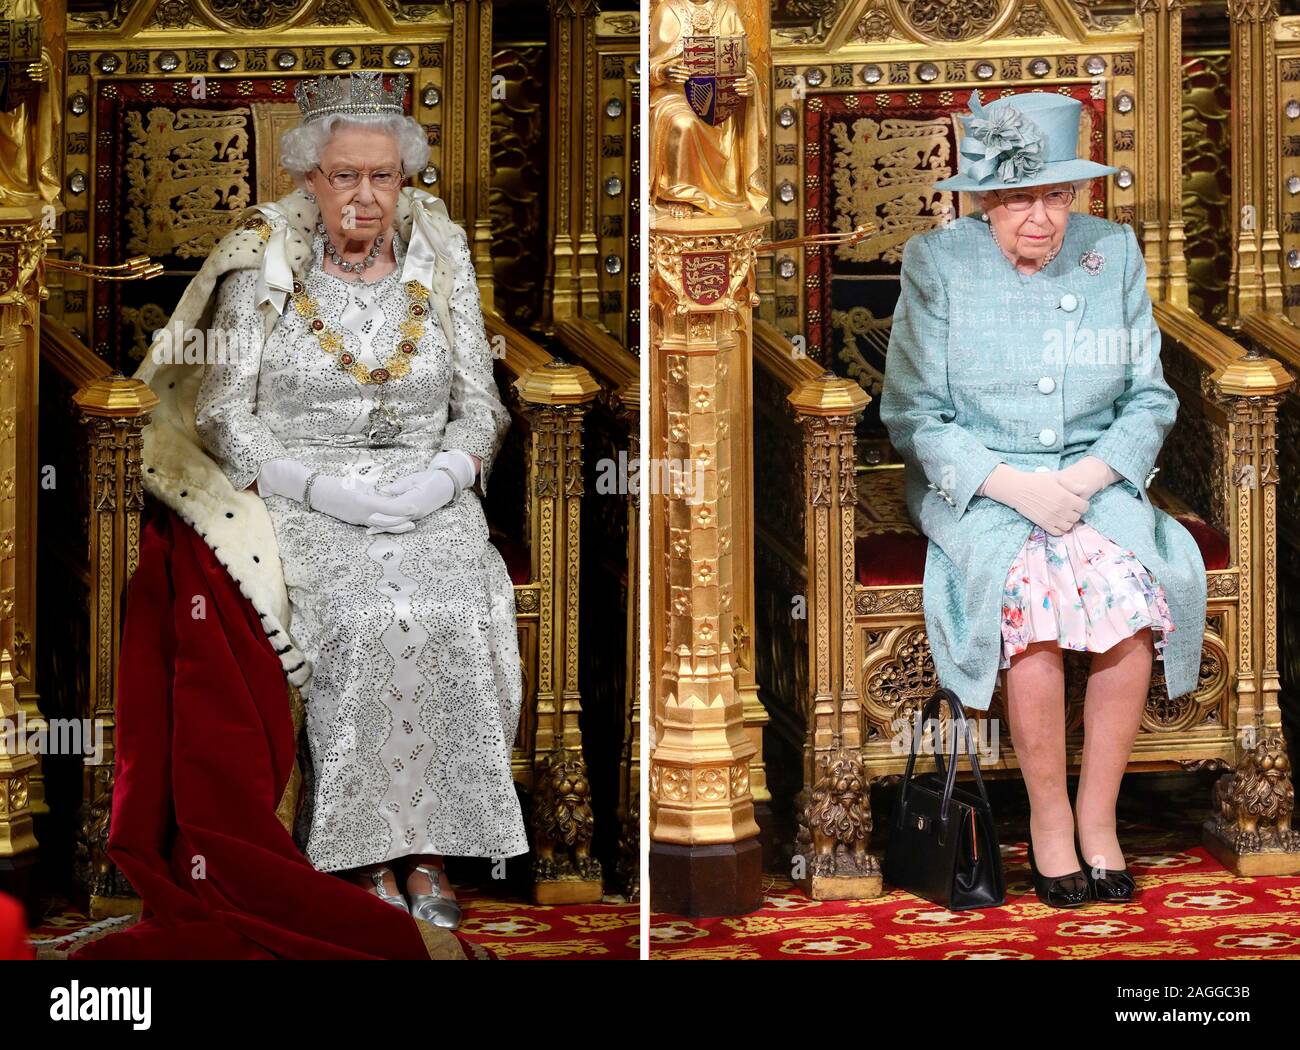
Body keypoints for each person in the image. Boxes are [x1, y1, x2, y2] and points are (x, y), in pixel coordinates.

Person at [163, 70, 527, 930]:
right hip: (305, 490)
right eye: (345, 176)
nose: (365, 196)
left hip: (428, 487)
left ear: (405, 182)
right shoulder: (263, 264)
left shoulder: (442, 262)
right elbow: (221, 410)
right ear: (309, 180)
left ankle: (431, 850)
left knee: (449, 605)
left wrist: (446, 475)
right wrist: (318, 487)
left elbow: (480, 401)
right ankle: (360, 852)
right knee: (363, 613)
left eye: (384, 177)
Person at [879, 90, 1207, 908]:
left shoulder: (1113, 251)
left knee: (1129, 596)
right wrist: (1017, 487)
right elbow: (912, 412)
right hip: (986, 484)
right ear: (986, 199)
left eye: (1057, 197)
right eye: (1022, 198)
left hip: (1091, 479)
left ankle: (1101, 820)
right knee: (1029, 596)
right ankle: (1051, 822)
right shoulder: (939, 261)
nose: (1042, 219)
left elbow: (1150, 397)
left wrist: (1091, 478)